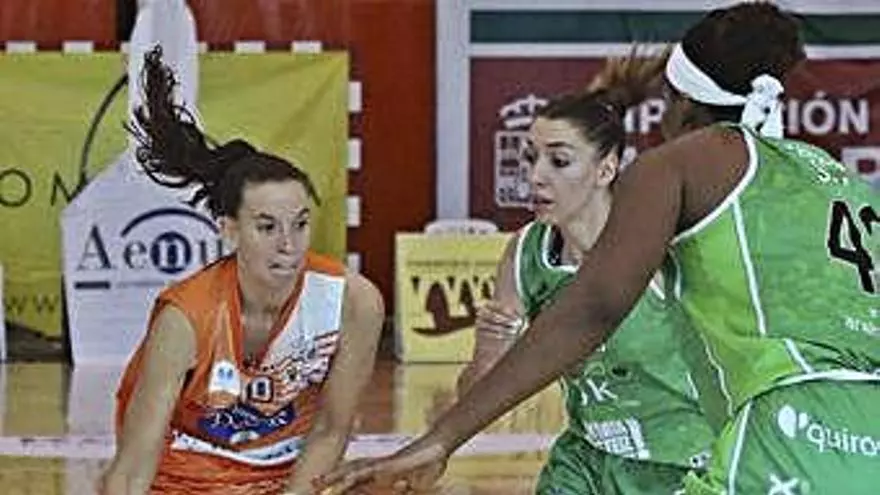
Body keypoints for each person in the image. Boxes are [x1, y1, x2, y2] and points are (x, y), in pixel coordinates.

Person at [316, 3, 880, 494]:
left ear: (680, 103)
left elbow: (593, 307)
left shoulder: (678, 165)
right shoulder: (834, 177)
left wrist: (441, 438)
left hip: (787, 429)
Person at [99, 47, 385, 495]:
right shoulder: (185, 318)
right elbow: (133, 466)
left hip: (286, 476)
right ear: (229, 230)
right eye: (267, 227)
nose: (288, 244)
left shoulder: (354, 302)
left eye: (300, 224)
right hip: (184, 479)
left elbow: (332, 430)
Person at [455, 51, 713, 494]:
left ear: (606, 169)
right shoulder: (526, 253)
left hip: (681, 465)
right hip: (585, 461)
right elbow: (474, 399)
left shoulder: (660, 244)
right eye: (530, 158)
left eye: (558, 162)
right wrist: (489, 350)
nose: (535, 176)